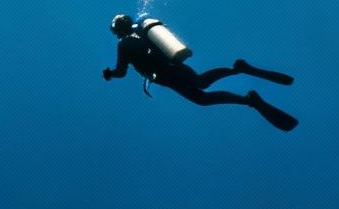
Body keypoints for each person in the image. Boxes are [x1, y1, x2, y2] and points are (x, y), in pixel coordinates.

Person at [101, 14, 299, 131]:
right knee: (201, 83)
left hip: (166, 76)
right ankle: (238, 72)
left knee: (202, 97)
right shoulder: (144, 32)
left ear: (118, 30)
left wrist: (109, 74)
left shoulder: (124, 44)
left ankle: (248, 98)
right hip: (174, 66)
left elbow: (121, 72)